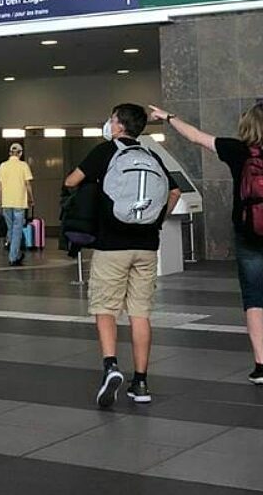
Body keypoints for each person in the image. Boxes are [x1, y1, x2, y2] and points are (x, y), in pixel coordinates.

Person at [151, 102, 263, 385]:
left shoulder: (237, 151)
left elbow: (196, 136)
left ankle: (260, 366)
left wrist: (169, 117)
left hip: (248, 234)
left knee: (253, 299)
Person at [64, 103, 180, 407]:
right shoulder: (152, 155)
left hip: (110, 245)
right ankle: (140, 382)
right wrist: (155, 220)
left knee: (105, 308)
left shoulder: (105, 152)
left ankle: (111, 366)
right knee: (140, 312)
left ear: (118, 125)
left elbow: (71, 181)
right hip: (146, 246)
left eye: (111, 119)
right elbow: (175, 191)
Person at [0, 142, 34, 267]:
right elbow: (28, 185)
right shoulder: (23, 166)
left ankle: (16, 254)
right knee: (17, 230)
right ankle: (13, 257)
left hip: (6, 203)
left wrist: (0, 201)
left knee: (11, 229)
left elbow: (0, 186)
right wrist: (31, 199)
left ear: (9, 153)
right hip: (19, 202)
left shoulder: (2, 166)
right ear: (21, 153)